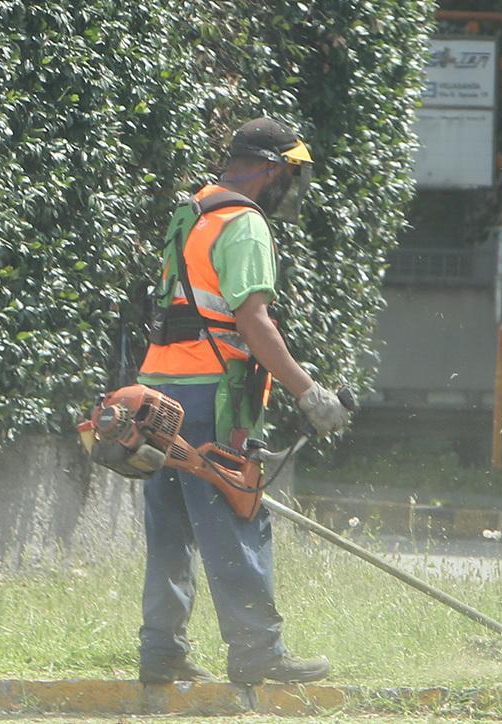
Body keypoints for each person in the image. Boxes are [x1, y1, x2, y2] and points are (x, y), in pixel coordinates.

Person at [135, 117, 350, 686]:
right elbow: (251, 319)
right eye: (291, 174)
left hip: (156, 389)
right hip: (209, 395)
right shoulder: (245, 223)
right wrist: (310, 392)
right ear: (272, 168)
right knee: (235, 512)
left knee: (171, 526)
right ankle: (258, 652)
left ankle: (162, 654)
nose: (290, 188)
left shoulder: (193, 212)